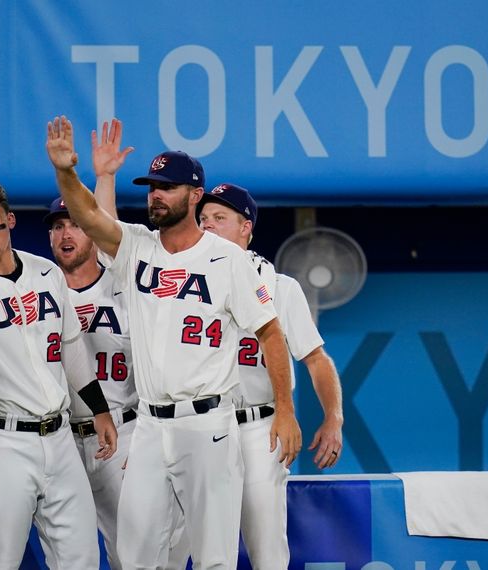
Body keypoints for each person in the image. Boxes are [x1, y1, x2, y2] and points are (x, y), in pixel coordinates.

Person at [46, 116, 302, 569]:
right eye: (150, 187)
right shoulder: (138, 245)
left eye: (167, 186)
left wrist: (285, 408)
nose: (155, 195)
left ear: (195, 194)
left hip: (208, 423)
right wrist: (68, 172)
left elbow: (271, 333)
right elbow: (87, 215)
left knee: (213, 557)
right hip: (148, 425)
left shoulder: (228, 259)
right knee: (135, 551)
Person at [0, 177, 118, 569]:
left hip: (60, 439)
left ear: (10, 220)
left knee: (81, 558)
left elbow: (71, 346)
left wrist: (99, 409)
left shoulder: (46, 272)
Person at [191, 183, 344, 569]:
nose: (208, 226)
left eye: (220, 219)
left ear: (246, 228)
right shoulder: (186, 284)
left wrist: (333, 418)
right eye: (204, 218)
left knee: (266, 542)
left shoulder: (278, 286)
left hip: (260, 425)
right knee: (205, 544)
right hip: (202, 421)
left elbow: (315, 358)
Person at [45, 196, 138, 570]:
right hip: (60, 436)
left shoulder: (125, 288)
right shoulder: (39, 292)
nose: (66, 234)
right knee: (68, 554)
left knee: (131, 550)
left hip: (122, 428)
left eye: (77, 225)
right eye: (57, 226)